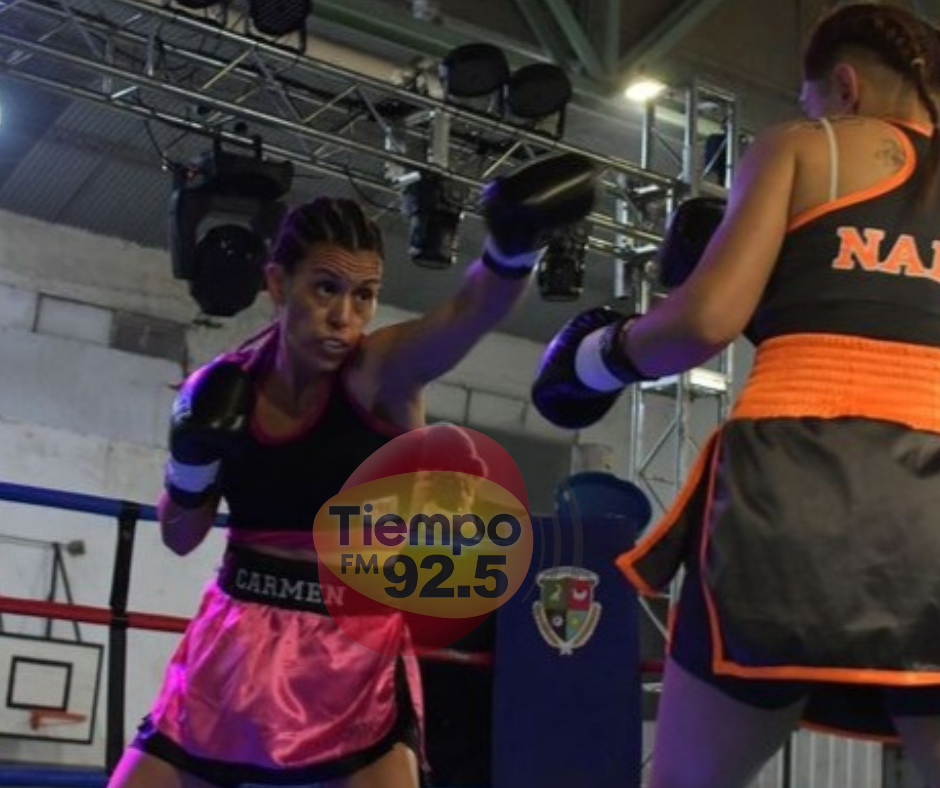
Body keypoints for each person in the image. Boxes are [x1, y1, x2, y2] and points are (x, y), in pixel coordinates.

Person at [532, 4, 940, 787]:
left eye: (812, 101)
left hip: (793, 489)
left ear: (843, 87)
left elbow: (702, 322)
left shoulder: (805, 145)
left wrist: (592, 361)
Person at [107, 150, 597, 788]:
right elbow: (179, 536)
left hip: (352, 648)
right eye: (326, 288)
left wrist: (510, 249)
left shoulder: (380, 374)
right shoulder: (222, 387)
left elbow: (465, 314)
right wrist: (190, 465)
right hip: (234, 637)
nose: (345, 317)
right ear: (278, 283)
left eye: (364, 296)